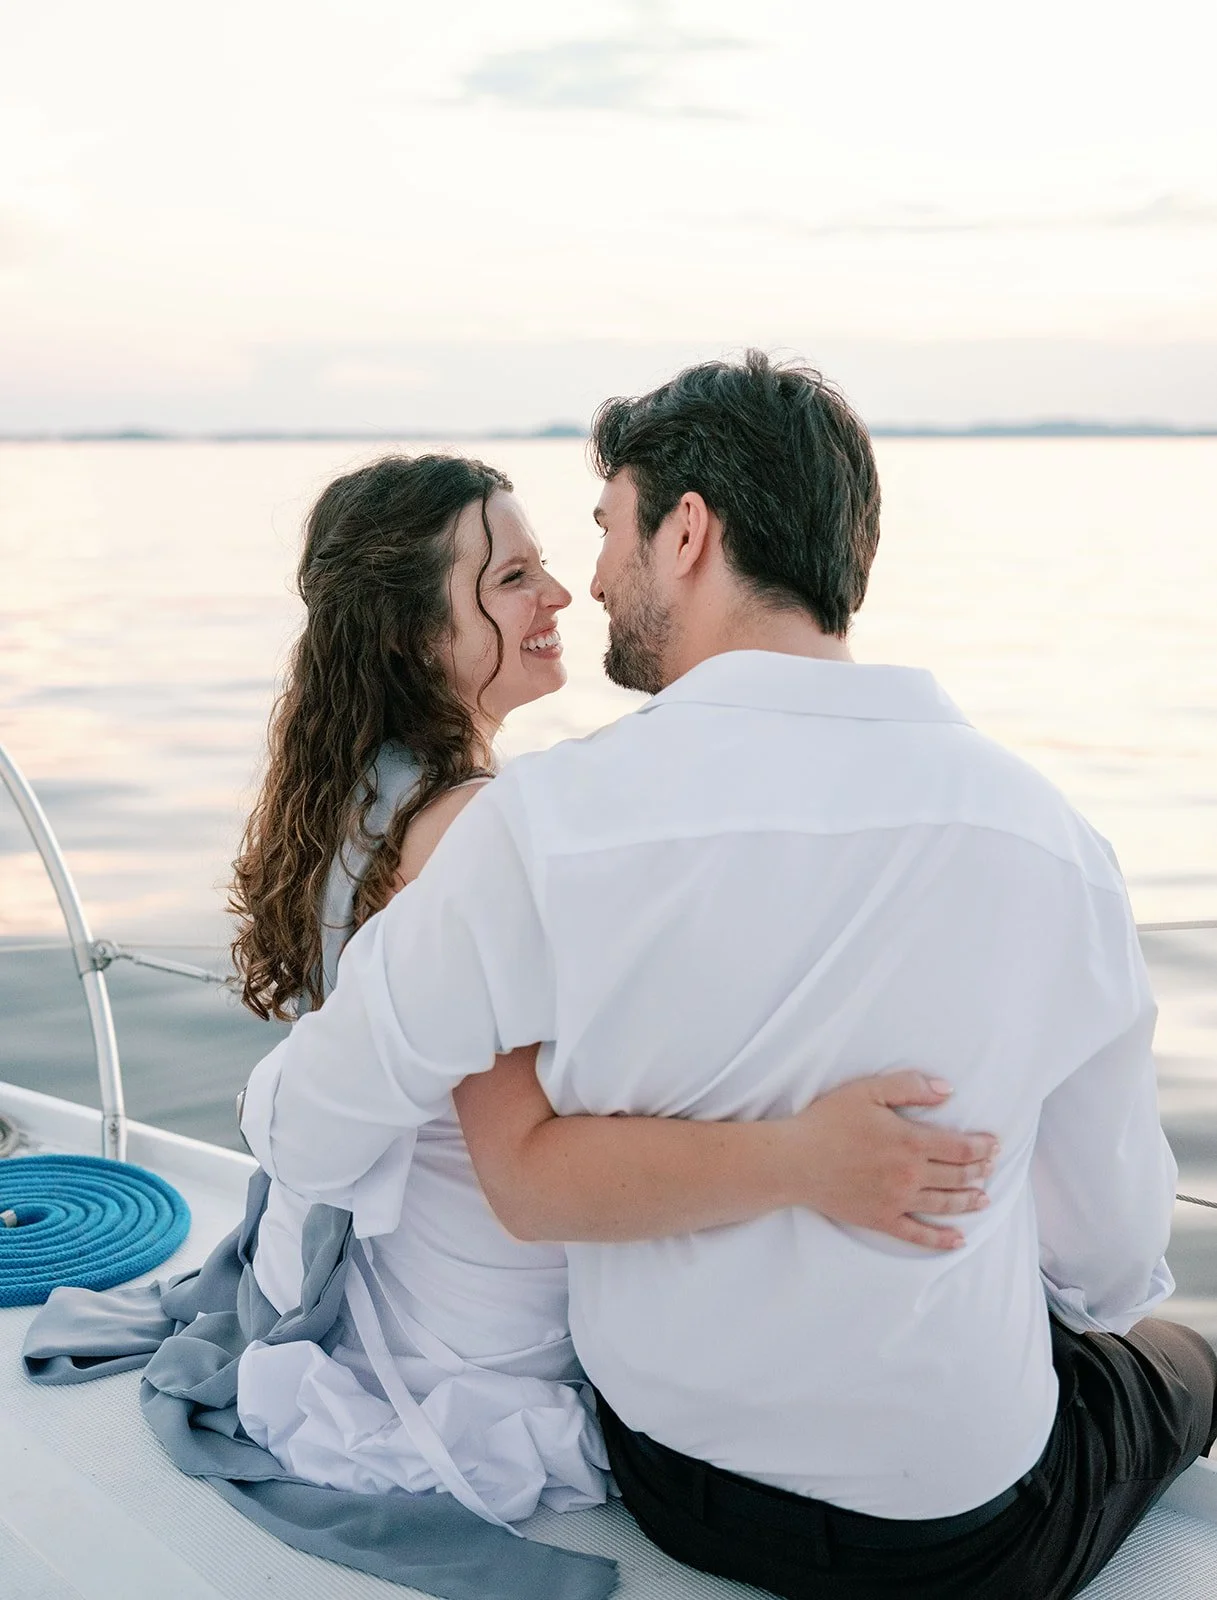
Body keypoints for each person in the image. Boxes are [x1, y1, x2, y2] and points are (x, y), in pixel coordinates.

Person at [239, 353, 1217, 1600]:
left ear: (686, 533)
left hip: (672, 1482)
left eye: (607, 533)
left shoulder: (546, 825)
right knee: (1171, 1352)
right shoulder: (1050, 841)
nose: (590, 580)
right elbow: (1111, 1259)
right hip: (954, 1535)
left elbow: (302, 1121)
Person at [228, 451, 996, 1529]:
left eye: (546, 561)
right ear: (415, 634)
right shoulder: (461, 834)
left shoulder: (371, 789)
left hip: (414, 1287)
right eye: (507, 578)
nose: (560, 592)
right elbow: (534, 1154)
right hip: (493, 1342)